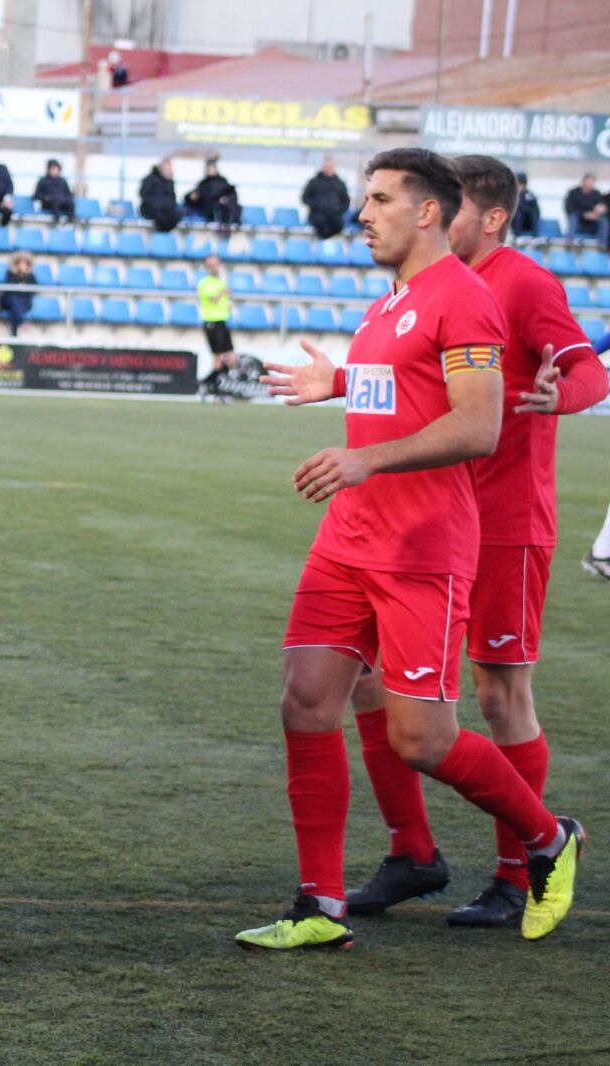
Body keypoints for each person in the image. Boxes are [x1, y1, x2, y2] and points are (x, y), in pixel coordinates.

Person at [246, 147, 584, 951]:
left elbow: (478, 424)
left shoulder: (463, 299)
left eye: (380, 199)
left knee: (420, 739)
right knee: (306, 701)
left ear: (427, 211)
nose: (362, 214)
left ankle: (546, 839)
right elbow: (403, 390)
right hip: (349, 538)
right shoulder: (388, 301)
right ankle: (318, 908)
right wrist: (337, 384)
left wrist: (363, 458)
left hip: (421, 546)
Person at [339, 155, 606, 927]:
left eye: (449, 208)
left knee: (499, 692)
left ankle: (519, 872)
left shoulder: (521, 282)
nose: (431, 216)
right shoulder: (422, 287)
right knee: (368, 681)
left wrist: (559, 397)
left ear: (487, 218)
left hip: (505, 522)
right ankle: (413, 853)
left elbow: (588, 371)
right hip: (428, 519)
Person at [196, 253, 237, 400]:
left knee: (232, 358)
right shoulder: (205, 283)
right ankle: (215, 389)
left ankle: (207, 382)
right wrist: (222, 292)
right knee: (218, 358)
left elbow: (226, 299)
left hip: (222, 322)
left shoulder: (221, 281)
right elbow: (213, 299)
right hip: (212, 322)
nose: (215, 267)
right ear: (207, 267)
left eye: (216, 264)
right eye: (211, 264)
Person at [184, 159, 240, 234]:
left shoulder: (223, 182)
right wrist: (191, 197)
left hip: (222, 209)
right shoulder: (203, 184)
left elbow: (232, 195)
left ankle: (226, 227)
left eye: (212, 168)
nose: (210, 170)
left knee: (226, 208)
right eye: (209, 168)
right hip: (209, 210)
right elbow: (192, 197)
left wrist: (226, 199)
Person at [303, 156, 351, 240]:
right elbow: (305, 198)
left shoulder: (340, 183)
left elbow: (346, 200)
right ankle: (323, 242)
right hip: (318, 213)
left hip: (335, 214)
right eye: (327, 166)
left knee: (339, 224)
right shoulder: (314, 182)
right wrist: (316, 205)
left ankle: (326, 241)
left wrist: (339, 209)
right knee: (320, 222)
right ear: (323, 167)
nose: (329, 168)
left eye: (330, 166)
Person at [0, 251, 36, 335]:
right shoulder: (10, 274)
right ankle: (20, 322)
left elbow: (34, 289)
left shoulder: (30, 276)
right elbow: (9, 289)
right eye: (21, 263)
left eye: (25, 263)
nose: (23, 266)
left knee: (16, 305)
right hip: (9, 301)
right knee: (14, 300)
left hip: (24, 303)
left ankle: (15, 331)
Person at [563, 173, 607, 244]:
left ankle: (603, 245)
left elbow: (601, 207)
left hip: (593, 224)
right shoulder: (573, 193)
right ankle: (569, 243)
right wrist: (584, 215)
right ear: (583, 182)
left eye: (591, 183)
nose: (589, 185)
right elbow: (569, 209)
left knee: (604, 221)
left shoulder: (597, 194)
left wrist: (599, 212)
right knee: (573, 217)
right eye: (587, 183)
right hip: (578, 223)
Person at [139, 158, 181, 233]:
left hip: (165, 210)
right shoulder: (150, 179)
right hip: (150, 209)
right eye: (166, 168)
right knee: (161, 217)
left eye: (169, 168)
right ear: (160, 168)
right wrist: (158, 204)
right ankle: (160, 235)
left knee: (178, 213)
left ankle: (164, 235)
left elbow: (172, 199)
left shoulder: (170, 182)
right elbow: (144, 195)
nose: (168, 170)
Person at [34, 159, 74, 226]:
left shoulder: (62, 181)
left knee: (70, 202)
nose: (54, 171)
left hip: (62, 203)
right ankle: (56, 222)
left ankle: (70, 221)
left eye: (56, 169)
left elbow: (68, 194)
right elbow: (36, 195)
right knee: (56, 199)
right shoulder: (43, 181)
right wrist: (45, 198)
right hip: (49, 204)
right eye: (52, 169)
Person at [511, 172, 540, 238]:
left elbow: (537, 210)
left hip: (527, 222)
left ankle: (534, 236)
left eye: (522, 184)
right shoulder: (511, 195)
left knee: (532, 213)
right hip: (514, 222)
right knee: (518, 214)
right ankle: (517, 236)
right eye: (518, 184)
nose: (520, 187)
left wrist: (526, 210)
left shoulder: (530, 195)